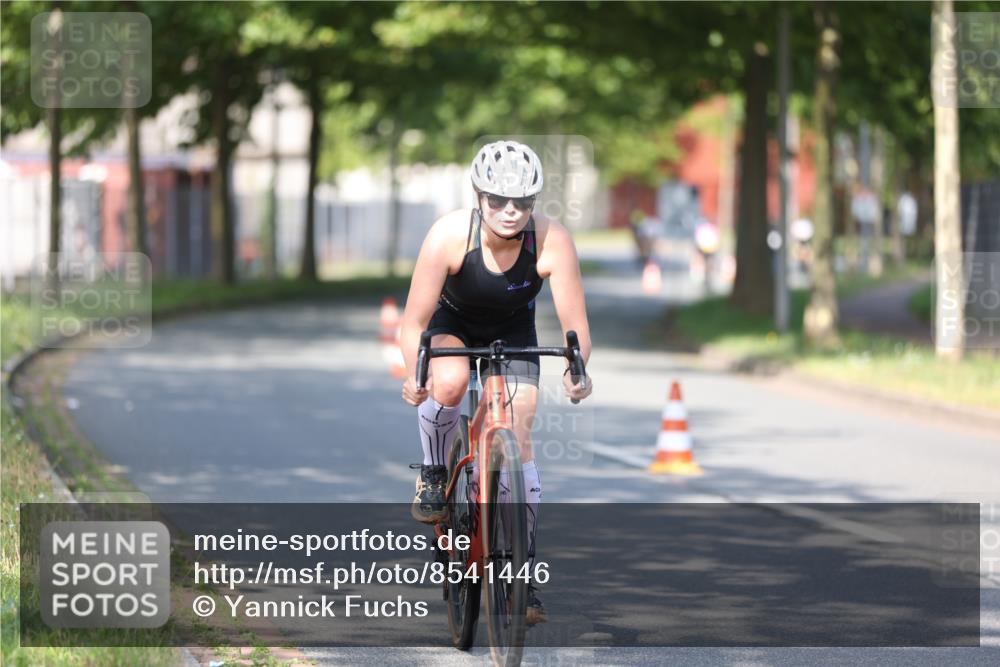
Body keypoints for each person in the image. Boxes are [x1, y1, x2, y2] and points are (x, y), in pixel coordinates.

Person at [399, 140, 594, 624]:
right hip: (452, 325)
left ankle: (521, 570)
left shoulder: (551, 241)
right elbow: (411, 323)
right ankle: (433, 471)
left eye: (523, 203)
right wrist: (413, 373)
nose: (511, 212)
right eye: (499, 201)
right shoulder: (449, 235)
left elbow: (576, 330)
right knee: (450, 380)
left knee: (517, 423)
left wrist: (577, 370)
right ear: (479, 196)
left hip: (512, 332)